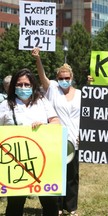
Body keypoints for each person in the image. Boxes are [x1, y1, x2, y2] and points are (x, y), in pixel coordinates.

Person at [0, 68, 60, 216]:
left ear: (33, 85)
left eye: (27, 84)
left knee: (49, 202)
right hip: (15, 162)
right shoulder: (5, 105)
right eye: (19, 84)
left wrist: (44, 126)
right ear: (14, 86)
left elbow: (56, 121)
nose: (23, 88)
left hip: (42, 159)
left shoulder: (42, 101)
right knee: (15, 203)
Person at [32, 47, 81, 216]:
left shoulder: (80, 94)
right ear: (57, 78)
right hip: (55, 139)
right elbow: (42, 76)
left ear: (72, 78)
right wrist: (38, 59)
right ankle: (57, 206)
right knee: (55, 174)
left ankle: (71, 206)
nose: (64, 80)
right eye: (61, 78)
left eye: (67, 78)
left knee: (72, 175)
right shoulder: (52, 88)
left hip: (74, 139)